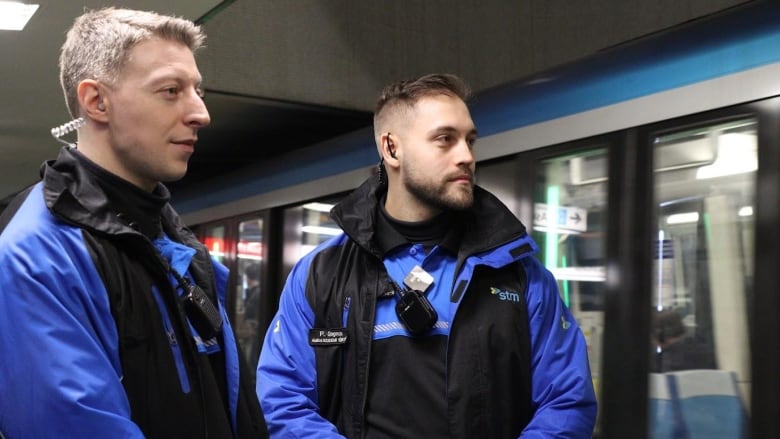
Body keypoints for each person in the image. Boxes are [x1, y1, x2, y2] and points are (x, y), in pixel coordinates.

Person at [256, 73, 597, 437]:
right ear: (391, 149)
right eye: (444, 140)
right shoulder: (321, 274)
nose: (466, 156)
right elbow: (283, 398)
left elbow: (566, 400)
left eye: (470, 140)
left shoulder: (519, 272)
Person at [0, 8, 267, 438]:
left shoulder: (169, 237)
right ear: (96, 101)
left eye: (198, 90)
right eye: (170, 90)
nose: (201, 113)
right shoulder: (38, 255)